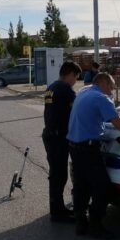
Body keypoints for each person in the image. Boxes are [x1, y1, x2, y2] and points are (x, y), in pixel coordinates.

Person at [67, 72, 120, 239]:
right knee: (102, 187)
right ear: (104, 83)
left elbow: (97, 114)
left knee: (81, 186)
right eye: (111, 87)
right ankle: (96, 225)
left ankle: (80, 223)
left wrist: (116, 113)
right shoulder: (101, 98)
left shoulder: (84, 91)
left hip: (74, 147)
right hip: (88, 150)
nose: (111, 92)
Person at [42, 60, 82, 223]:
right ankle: (58, 213)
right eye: (76, 77)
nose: (75, 81)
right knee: (59, 175)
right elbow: (78, 109)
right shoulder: (65, 89)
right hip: (58, 137)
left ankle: (57, 208)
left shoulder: (51, 87)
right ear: (70, 74)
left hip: (50, 135)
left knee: (55, 174)